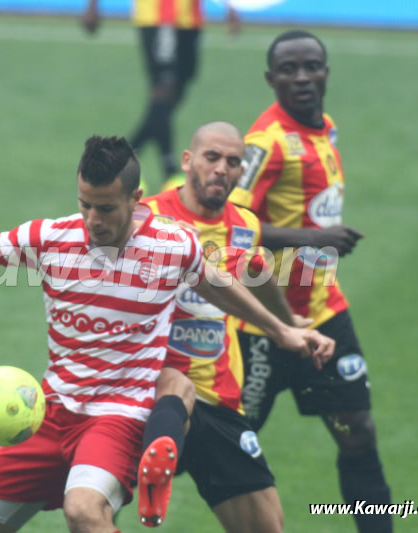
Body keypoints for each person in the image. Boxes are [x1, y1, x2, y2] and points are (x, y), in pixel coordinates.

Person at [0, 135, 334, 533]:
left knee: (83, 511)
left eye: (105, 208)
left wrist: (283, 330)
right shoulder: (52, 237)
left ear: (135, 200)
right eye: (84, 204)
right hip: (51, 409)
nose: (92, 220)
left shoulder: (172, 245)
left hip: (121, 415)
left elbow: (218, 284)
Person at [229, 30, 392, 532]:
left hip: (324, 318)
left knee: (357, 434)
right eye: (289, 70)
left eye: (311, 67)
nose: (302, 78)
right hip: (265, 327)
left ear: (326, 72)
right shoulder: (266, 142)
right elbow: (234, 221)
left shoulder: (326, 128)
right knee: (224, 443)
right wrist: (312, 238)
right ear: (270, 78)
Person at [137, 121, 310, 530]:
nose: (222, 169)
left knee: (267, 526)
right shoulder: (148, 218)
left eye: (233, 162)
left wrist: (289, 324)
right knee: (88, 505)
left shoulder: (244, 226)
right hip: (150, 396)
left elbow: (257, 272)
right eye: (212, 157)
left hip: (218, 398)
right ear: (187, 161)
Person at [81, 0, 239, 186]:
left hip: (191, 18)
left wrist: (230, 7)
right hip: (159, 16)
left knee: (173, 95)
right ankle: (170, 172)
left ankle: (120, 159)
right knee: (165, 88)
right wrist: (93, 5)